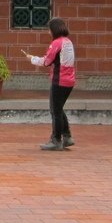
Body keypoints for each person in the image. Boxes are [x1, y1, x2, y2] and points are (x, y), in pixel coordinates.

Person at [24, 17, 77, 151]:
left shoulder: (56, 43)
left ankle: (56, 140)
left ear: (53, 29)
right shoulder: (68, 42)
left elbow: (46, 61)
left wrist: (32, 59)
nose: (48, 32)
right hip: (69, 80)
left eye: (49, 29)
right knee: (59, 108)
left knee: (55, 110)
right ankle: (67, 136)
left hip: (59, 81)